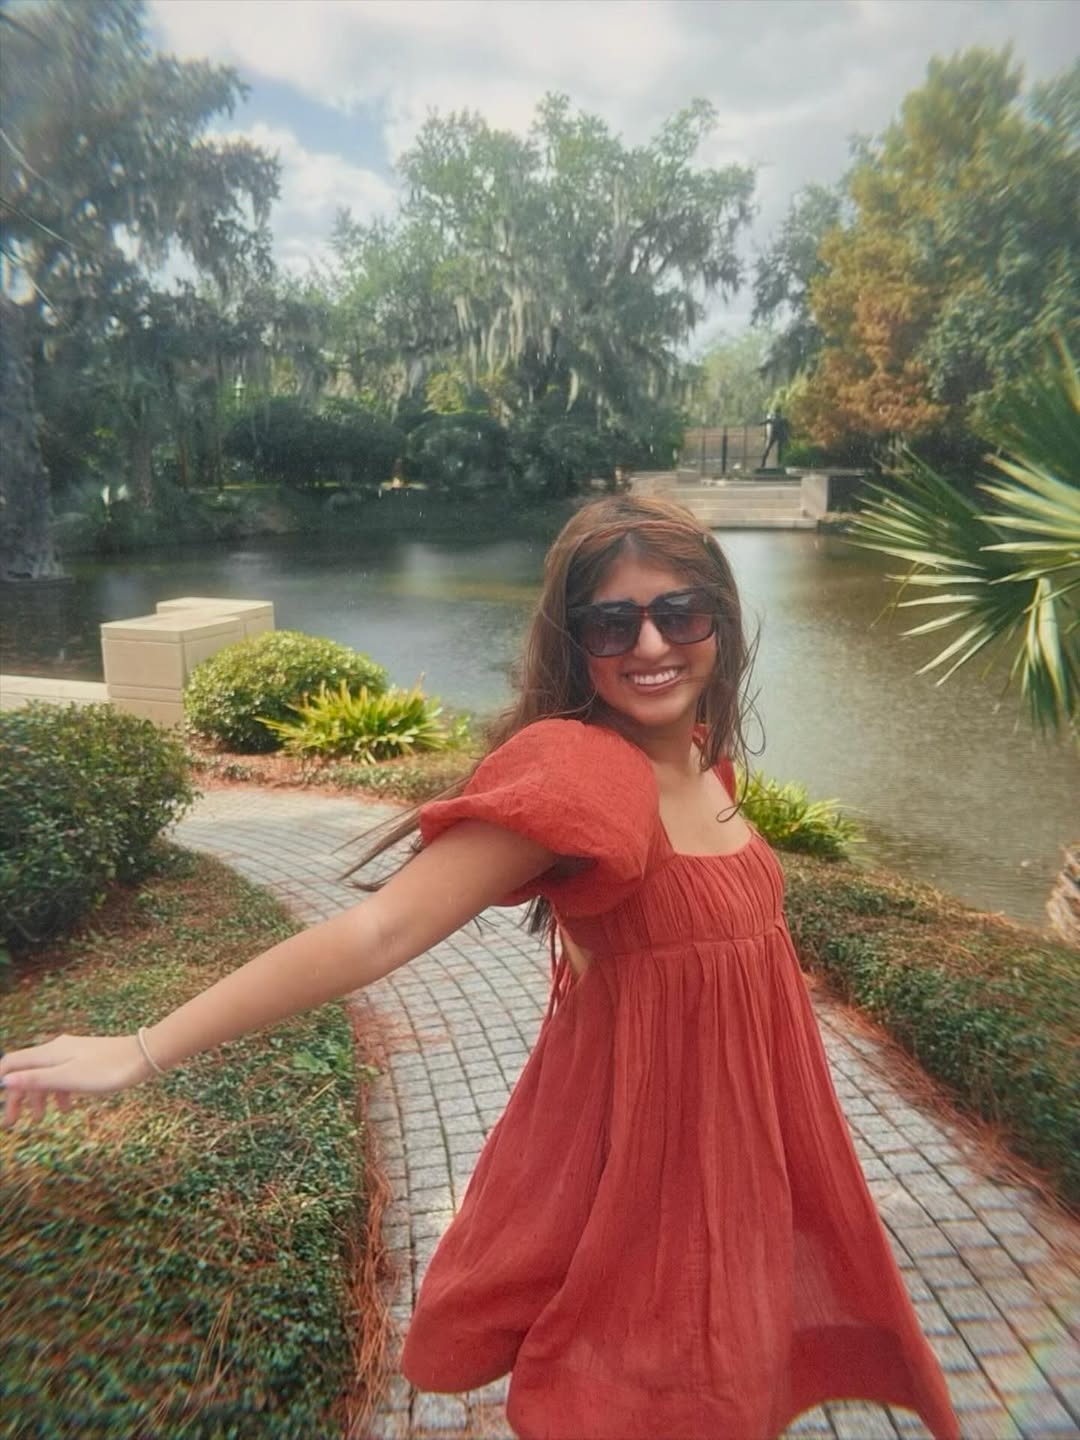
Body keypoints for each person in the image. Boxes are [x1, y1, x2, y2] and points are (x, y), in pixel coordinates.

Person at [1, 496, 959, 1440]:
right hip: (656, 1176)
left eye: (680, 612)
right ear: (573, 641)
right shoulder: (588, 772)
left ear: (722, 621)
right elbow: (379, 933)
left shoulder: (705, 762)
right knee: (665, 1397)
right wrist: (142, 1049)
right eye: (613, 623)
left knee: (733, 1378)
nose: (652, 645)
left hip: (746, 1150)